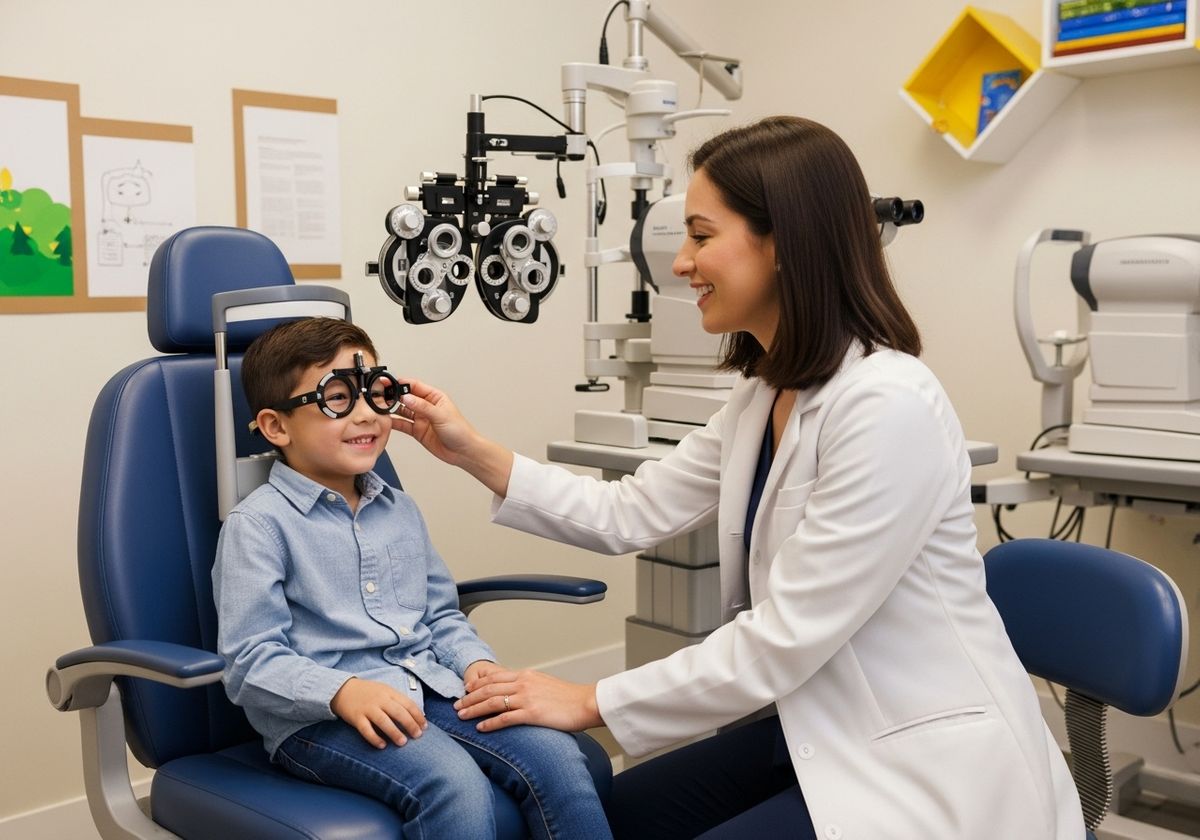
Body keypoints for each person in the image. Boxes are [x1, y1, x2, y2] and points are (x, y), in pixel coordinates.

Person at [392, 116, 1087, 839]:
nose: (681, 263)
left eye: (700, 236)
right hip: (819, 724)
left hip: (923, 756)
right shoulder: (763, 396)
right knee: (614, 818)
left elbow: (783, 637)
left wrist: (587, 699)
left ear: (783, 243)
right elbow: (628, 511)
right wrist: (470, 450)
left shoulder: (889, 406)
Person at [212, 317, 612, 840]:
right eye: (337, 398)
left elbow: (440, 615)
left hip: (429, 688)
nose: (365, 415)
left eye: (375, 394)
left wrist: (477, 665)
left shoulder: (397, 508)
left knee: (558, 756)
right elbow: (248, 662)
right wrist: (343, 692)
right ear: (276, 427)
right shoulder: (258, 526)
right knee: (454, 785)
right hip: (320, 723)